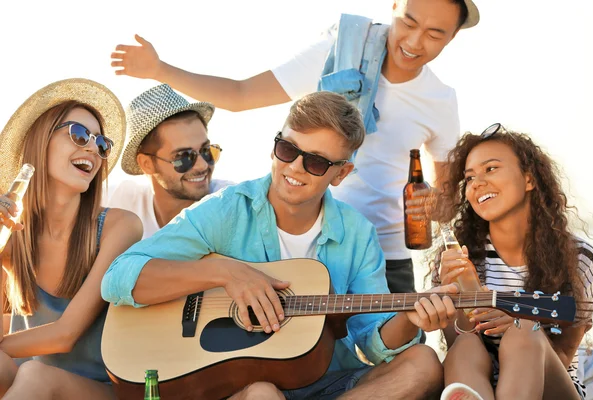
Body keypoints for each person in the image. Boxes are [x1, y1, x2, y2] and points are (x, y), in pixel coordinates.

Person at [102, 91, 461, 399]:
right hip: (248, 386)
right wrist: (223, 271)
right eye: (288, 149)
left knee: (423, 363)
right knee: (262, 394)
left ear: (341, 173)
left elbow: (372, 340)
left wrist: (410, 319)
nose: (296, 167)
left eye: (317, 162)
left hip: (334, 383)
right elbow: (118, 278)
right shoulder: (227, 209)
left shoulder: (357, 233)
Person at [109, 0, 480, 294]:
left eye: (434, 34)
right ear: (395, 6)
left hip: (385, 255)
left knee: (403, 362)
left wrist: (433, 203)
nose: (415, 42)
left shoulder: (441, 101)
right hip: (301, 245)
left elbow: (447, 199)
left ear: (451, 38)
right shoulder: (339, 53)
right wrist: (161, 70)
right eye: (410, 23)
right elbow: (240, 95)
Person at [430, 124, 593, 400]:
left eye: (491, 168)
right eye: (469, 177)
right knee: (464, 346)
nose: (477, 183)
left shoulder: (577, 256)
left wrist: (517, 322)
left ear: (530, 179)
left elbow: (565, 354)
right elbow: (456, 344)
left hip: (551, 387)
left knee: (524, 333)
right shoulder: (455, 255)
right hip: (481, 387)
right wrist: (461, 294)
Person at [0, 78, 143, 399]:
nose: (92, 148)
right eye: (79, 135)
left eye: (101, 144)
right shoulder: (12, 235)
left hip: (101, 388)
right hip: (28, 378)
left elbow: (66, 335)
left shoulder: (120, 226)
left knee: (35, 375)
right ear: (40, 142)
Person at [105, 84, 233, 239]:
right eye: (184, 157)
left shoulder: (233, 203)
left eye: (206, 151)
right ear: (146, 163)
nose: (203, 165)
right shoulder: (118, 201)